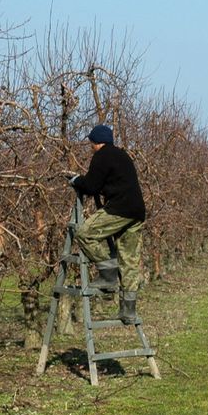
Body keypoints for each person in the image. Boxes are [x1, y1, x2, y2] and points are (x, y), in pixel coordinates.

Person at [70, 124, 147, 322]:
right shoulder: (122, 155)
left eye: (91, 144)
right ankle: (128, 310)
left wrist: (77, 180)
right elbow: (109, 183)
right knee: (129, 260)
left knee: (84, 233)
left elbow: (91, 186)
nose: (91, 147)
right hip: (136, 212)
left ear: (95, 142)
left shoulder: (102, 156)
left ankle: (107, 272)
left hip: (119, 209)